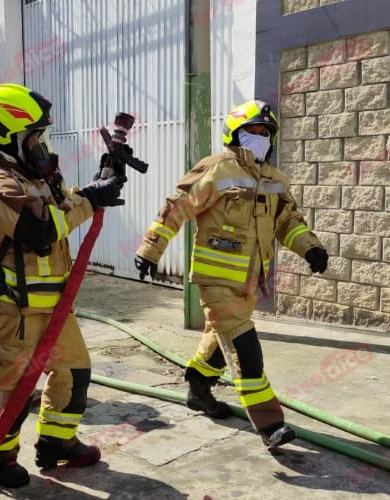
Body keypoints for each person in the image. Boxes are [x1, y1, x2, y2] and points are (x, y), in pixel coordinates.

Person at [134, 99, 328, 448]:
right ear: (235, 134)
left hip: (250, 281)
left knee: (220, 340)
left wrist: (310, 247)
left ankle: (197, 384)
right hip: (216, 278)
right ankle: (270, 426)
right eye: (252, 131)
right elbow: (178, 207)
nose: (260, 137)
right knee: (245, 347)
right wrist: (151, 249)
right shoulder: (217, 169)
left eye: (265, 132)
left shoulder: (275, 180)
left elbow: (289, 222)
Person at [0, 83, 125, 487]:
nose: (40, 144)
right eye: (33, 136)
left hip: (56, 307)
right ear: (8, 135)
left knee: (74, 373)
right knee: (12, 390)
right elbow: (39, 230)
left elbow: (65, 204)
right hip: (16, 311)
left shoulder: (37, 179)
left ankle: (57, 442)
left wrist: (104, 179)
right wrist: (90, 198)